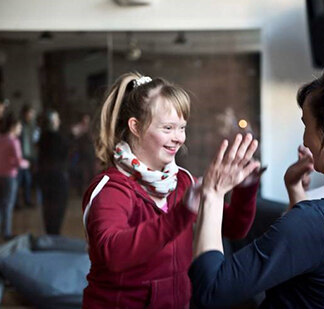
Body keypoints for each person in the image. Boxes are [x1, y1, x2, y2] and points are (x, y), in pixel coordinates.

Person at [189, 52, 324, 308]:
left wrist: (212, 194)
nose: (304, 140)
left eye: (306, 125)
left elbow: (210, 292)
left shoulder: (315, 223)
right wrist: (295, 190)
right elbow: (319, 267)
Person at [81, 73, 260, 308]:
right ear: (135, 126)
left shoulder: (183, 180)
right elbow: (114, 254)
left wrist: (245, 189)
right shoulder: (110, 189)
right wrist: (182, 214)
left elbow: (234, 227)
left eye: (182, 128)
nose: (178, 138)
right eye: (168, 128)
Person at [38, 110, 70, 235]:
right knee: (58, 206)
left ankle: (50, 232)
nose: (59, 122)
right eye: (57, 120)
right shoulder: (58, 138)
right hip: (57, 177)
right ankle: (55, 233)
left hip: (45, 177)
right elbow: (65, 153)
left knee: (48, 207)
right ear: (53, 122)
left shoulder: (42, 137)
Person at [0, 113, 29, 240]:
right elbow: (18, 161)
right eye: (19, 127)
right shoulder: (14, 142)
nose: (20, 129)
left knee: (1, 204)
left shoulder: (1, 139)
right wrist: (26, 163)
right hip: (10, 176)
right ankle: (6, 232)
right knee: (8, 204)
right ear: (13, 127)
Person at [18, 104, 40, 208]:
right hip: (21, 156)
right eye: (29, 113)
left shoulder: (34, 126)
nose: (30, 115)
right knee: (21, 179)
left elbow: (36, 139)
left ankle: (27, 200)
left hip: (31, 155)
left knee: (28, 179)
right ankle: (18, 202)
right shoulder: (20, 125)